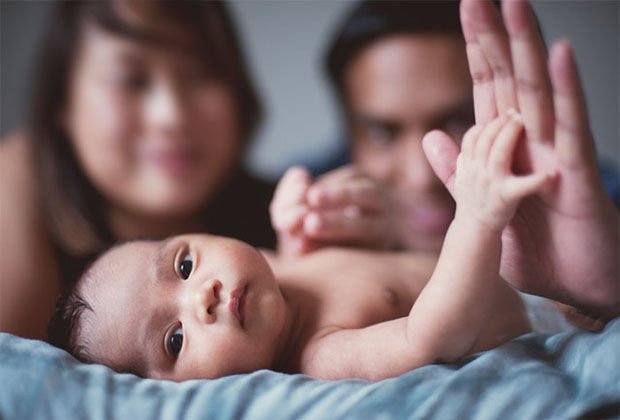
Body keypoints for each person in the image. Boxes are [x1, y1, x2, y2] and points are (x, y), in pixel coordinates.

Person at [50, 110, 552, 381]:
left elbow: (354, 252)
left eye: (183, 264)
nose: (200, 296)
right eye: (175, 340)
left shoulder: (273, 264)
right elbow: (433, 336)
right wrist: (477, 216)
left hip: (541, 288)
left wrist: (308, 214)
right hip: (529, 320)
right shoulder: (321, 354)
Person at [0, 0, 382, 340]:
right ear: (61, 103)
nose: (171, 115)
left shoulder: (294, 216)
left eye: (201, 73)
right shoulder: (23, 183)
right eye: (131, 80)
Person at [295, 0, 618, 322]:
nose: (420, 176)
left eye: (459, 120)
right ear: (347, 136)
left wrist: (601, 297)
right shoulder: (305, 214)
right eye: (383, 133)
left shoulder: (594, 212)